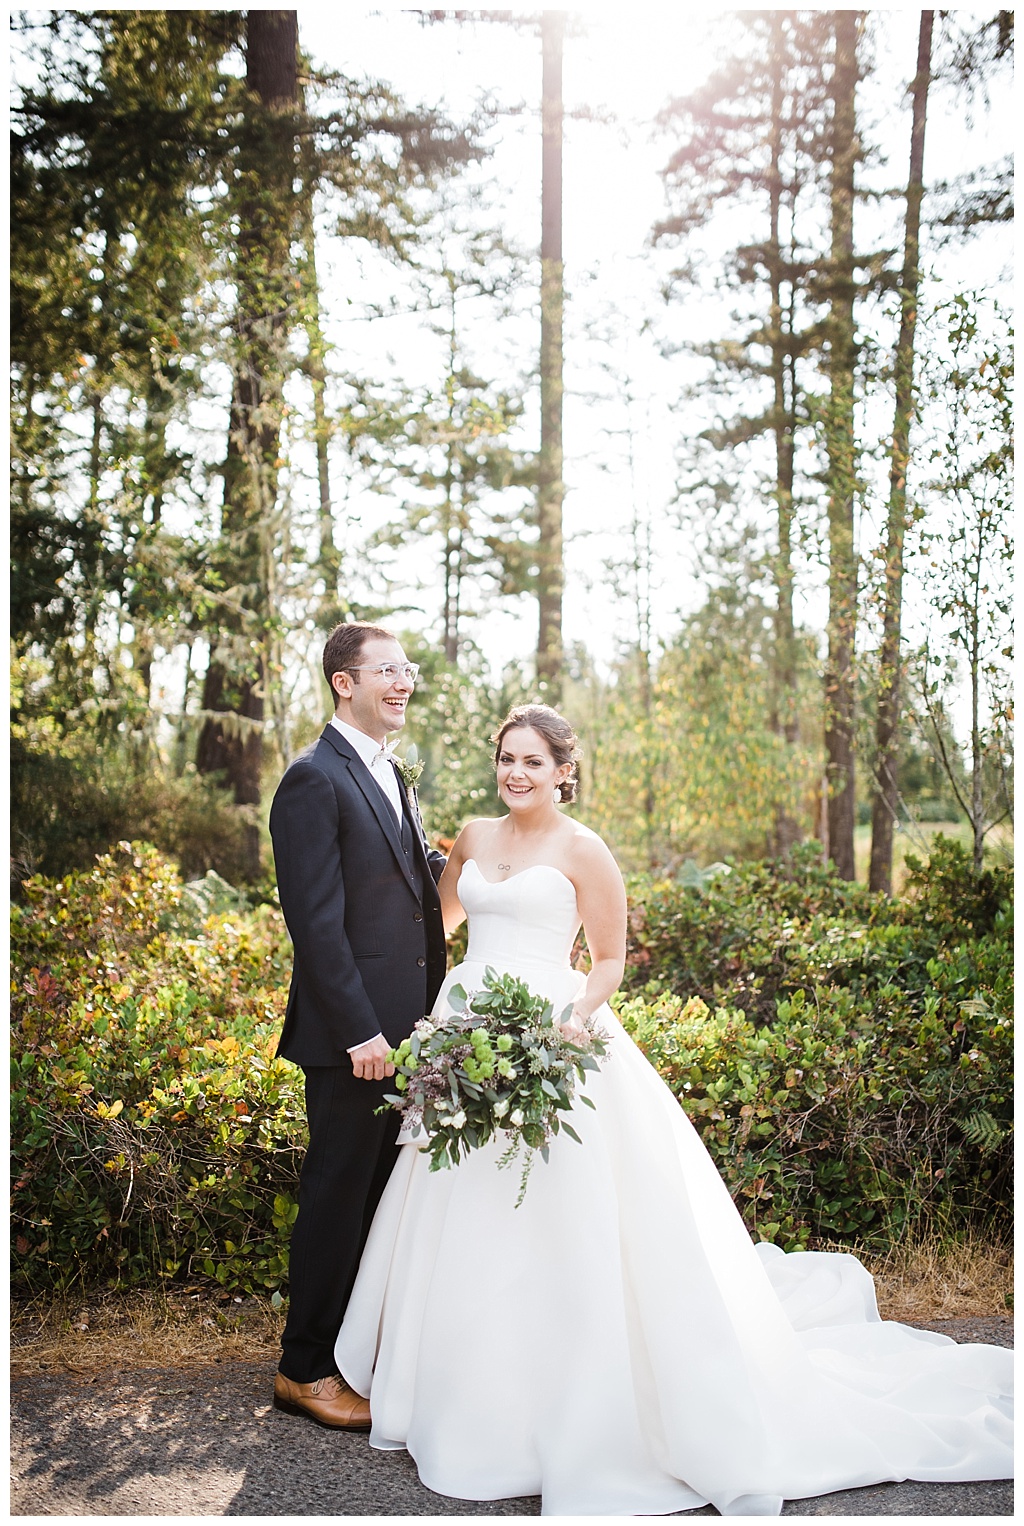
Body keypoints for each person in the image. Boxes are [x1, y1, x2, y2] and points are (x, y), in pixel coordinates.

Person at [334, 702, 1013, 1515]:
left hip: (557, 1033)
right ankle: (457, 1379)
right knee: (460, 1205)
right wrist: (422, 1001)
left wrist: (572, 1021)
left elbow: (611, 959)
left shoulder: (585, 850)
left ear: (564, 772)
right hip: (467, 1035)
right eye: (507, 758)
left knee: (559, 1217)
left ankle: (563, 1394)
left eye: (533, 763)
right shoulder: (475, 838)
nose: (516, 773)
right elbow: (437, 925)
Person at [269, 622, 446, 1429]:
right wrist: (359, 1034)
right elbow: (317, 922)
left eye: (407, 669)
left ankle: (350, 1355)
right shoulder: (313, 779)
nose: (403, 681)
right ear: (345, 682)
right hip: (357, 1040)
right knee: (339, 1195)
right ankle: (303, 1369)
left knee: (378, 1198)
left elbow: (399, 887)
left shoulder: (389, 773)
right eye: (388, 670)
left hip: (408, 1029)